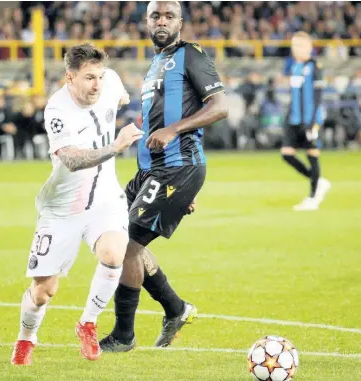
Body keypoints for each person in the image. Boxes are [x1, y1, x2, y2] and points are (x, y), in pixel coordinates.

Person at [99, 1, 228, 352]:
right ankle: (175, 308)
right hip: (151, 172)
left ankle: (124, 336)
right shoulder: (156, 65)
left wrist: (174, 130)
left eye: (169, 16)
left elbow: (220, 107)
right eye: (155, 15)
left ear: (180, 22)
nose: (162, 21)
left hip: (177, 167)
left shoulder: (192, 55)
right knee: (118, 237)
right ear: (146, 20)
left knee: (126, 247)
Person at [10, 44, 143, 365]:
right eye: (88, 78)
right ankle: (26, 338)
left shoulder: (110, 81)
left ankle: (88, 323)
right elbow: (70, 159)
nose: (96, 85)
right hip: (63, 208)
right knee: (44, 291)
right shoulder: (57, 109)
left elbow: (122, 97)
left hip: (105, 198)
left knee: (114, 254)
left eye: (99, 76)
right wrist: (115, 147)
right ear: (69, 78)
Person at [281, 31, 330, 211]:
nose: (297, 49)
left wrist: (312, 123)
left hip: (310, 119)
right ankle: (317, 182)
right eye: (294, 46)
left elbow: (318, 96)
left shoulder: (315, 66)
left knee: (312, 154)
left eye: (300, 46)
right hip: (294, 119)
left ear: (310, 47)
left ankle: (313, 198)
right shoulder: (295, 67)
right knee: (287, 154)